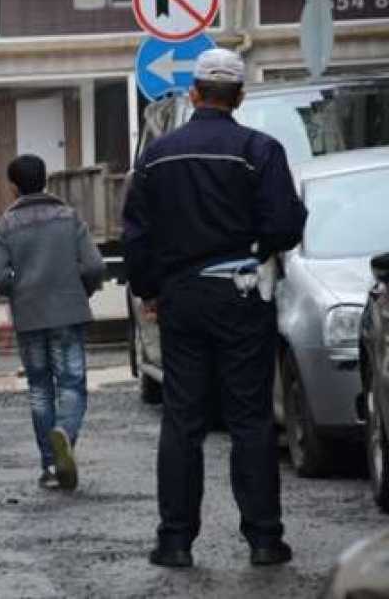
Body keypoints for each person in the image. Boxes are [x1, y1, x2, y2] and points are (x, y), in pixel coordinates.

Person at [122, 48, 307, 569]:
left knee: (183, 418)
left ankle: (175, 541)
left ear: (196, 94)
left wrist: (150, 290)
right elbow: (284, 228)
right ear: (239, 98)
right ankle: (265, 540)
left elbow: (137, 236)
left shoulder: (157, 157)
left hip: (180, 298)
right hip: (242, 294)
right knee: (249, 417)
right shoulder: (260, 150)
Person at [0, 154, 105, 491]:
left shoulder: (6, 225)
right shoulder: (69, 218)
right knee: (71, 382)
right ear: (45, 180)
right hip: (68, 312)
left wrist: (18, 290)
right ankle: (64, 433)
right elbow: (94, 266)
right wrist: (81, 289)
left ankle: (51, 466)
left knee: (40, 389)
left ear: (13, 186)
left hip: (30, 316)